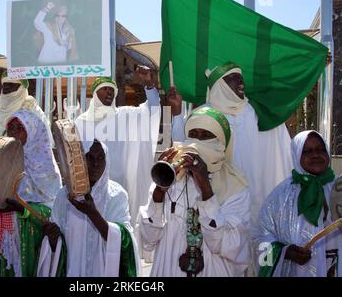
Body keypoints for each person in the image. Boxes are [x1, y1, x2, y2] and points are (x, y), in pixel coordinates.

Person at [170, 62, 293, 271]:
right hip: (215, 197)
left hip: (251, 195)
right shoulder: (203, 113)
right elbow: (182, 146)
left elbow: (277, 142)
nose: (241, 82)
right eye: (233, 78)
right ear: (219, 85)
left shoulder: (255, 114)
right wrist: (175, 114)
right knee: (220, 251)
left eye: (240, 78)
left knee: (254, 251)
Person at [139, 106, 250, 277]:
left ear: (222, 142)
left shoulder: (236, 186)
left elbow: (227, 245)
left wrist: (205, 187)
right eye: (193, 135)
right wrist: (159, 192)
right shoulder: (171, 176)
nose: (197, 142)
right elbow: (148, 240)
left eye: (206, 135)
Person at [38, 139, 139, 277]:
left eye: (101, 158)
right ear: (80, 161)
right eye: (89, 157)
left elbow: (123, 240)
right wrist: (53, 237)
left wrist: (93, 214)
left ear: (107, 161)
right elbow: (58, 245)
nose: (95, 164)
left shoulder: (117, 195)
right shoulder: (64, 195)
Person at [0, 109, 62, 277]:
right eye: (11, 128)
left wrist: (21, 209)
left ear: (33, 132)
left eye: (20, 128)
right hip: (3, 236)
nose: (14, 132)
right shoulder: (2, 162)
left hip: (31, 243)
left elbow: (53, 211)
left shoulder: (46, 169)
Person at [75, 72, 161, 231]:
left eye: (112, 89)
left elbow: (152, 110)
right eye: (104, 88)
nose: (109, 92)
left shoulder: (124, 115)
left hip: (121, 185)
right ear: (95, 93)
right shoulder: (82, 121)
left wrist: (149, 85)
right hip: (91, 185)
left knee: (116, 230)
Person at [254, 130, 342, 277]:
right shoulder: (280, 196)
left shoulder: (339, 188)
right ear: (296, 154)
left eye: (321, 149)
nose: (316, 154)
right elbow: (260, 238)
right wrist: (284, 252)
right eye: (307, 151)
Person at [0, 71, 52, 156]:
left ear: (21, 88)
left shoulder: (33, 111)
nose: (6, 87)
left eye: (11, 84)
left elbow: (45, 141)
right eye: (4, 84)